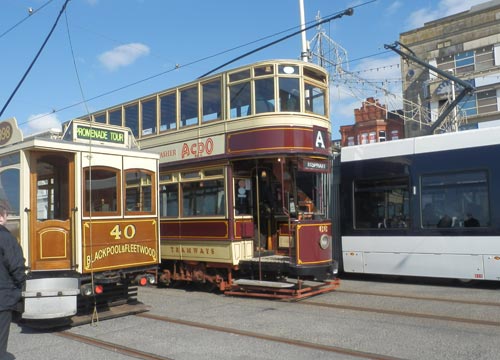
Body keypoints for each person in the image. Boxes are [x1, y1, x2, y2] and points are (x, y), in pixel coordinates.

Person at [0, 204, 26, 359]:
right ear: (1, 217)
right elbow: (16, 266)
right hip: (2, 298)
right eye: (6, 215)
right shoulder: (6, 237)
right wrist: (20, 285)